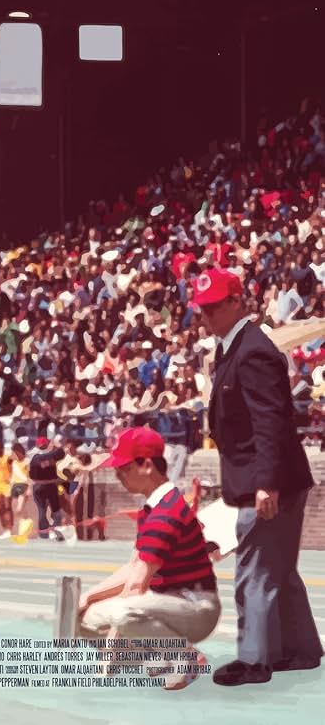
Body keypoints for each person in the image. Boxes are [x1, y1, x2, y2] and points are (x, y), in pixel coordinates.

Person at [194, 268, 322, 685]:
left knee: (255, 569)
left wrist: (267, 482)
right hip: (265, 475)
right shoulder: (234, 348)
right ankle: (300, 650)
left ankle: (254, 660)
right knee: (278, 567)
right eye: (202, 309)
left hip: (267, 479)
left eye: (214, 307)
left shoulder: (251, 351)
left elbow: (271, 422)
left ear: (237, 302)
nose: (206, 315)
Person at [78, 426, 221, 691]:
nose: (118, 474)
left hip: (195, 606)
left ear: (146, 465)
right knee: (85, 616)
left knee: (123, 612)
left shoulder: (166, 513)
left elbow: (136, 585)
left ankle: (185, 657)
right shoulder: (152, 508)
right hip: (168, 602)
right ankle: (150, 655)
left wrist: (111, 646)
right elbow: (133, 567)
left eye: (124, 468)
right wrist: (87, 598)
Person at [28, 437, 66, 539]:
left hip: (48, 486)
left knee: (54, 511)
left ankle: (51, 532)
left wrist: (57, 448)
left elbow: (61, 454)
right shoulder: (35, 455)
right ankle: (45, 533)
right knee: (45, 511)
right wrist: (56, 447)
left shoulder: (49, 455)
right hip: (42, 486)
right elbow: (53, 455)